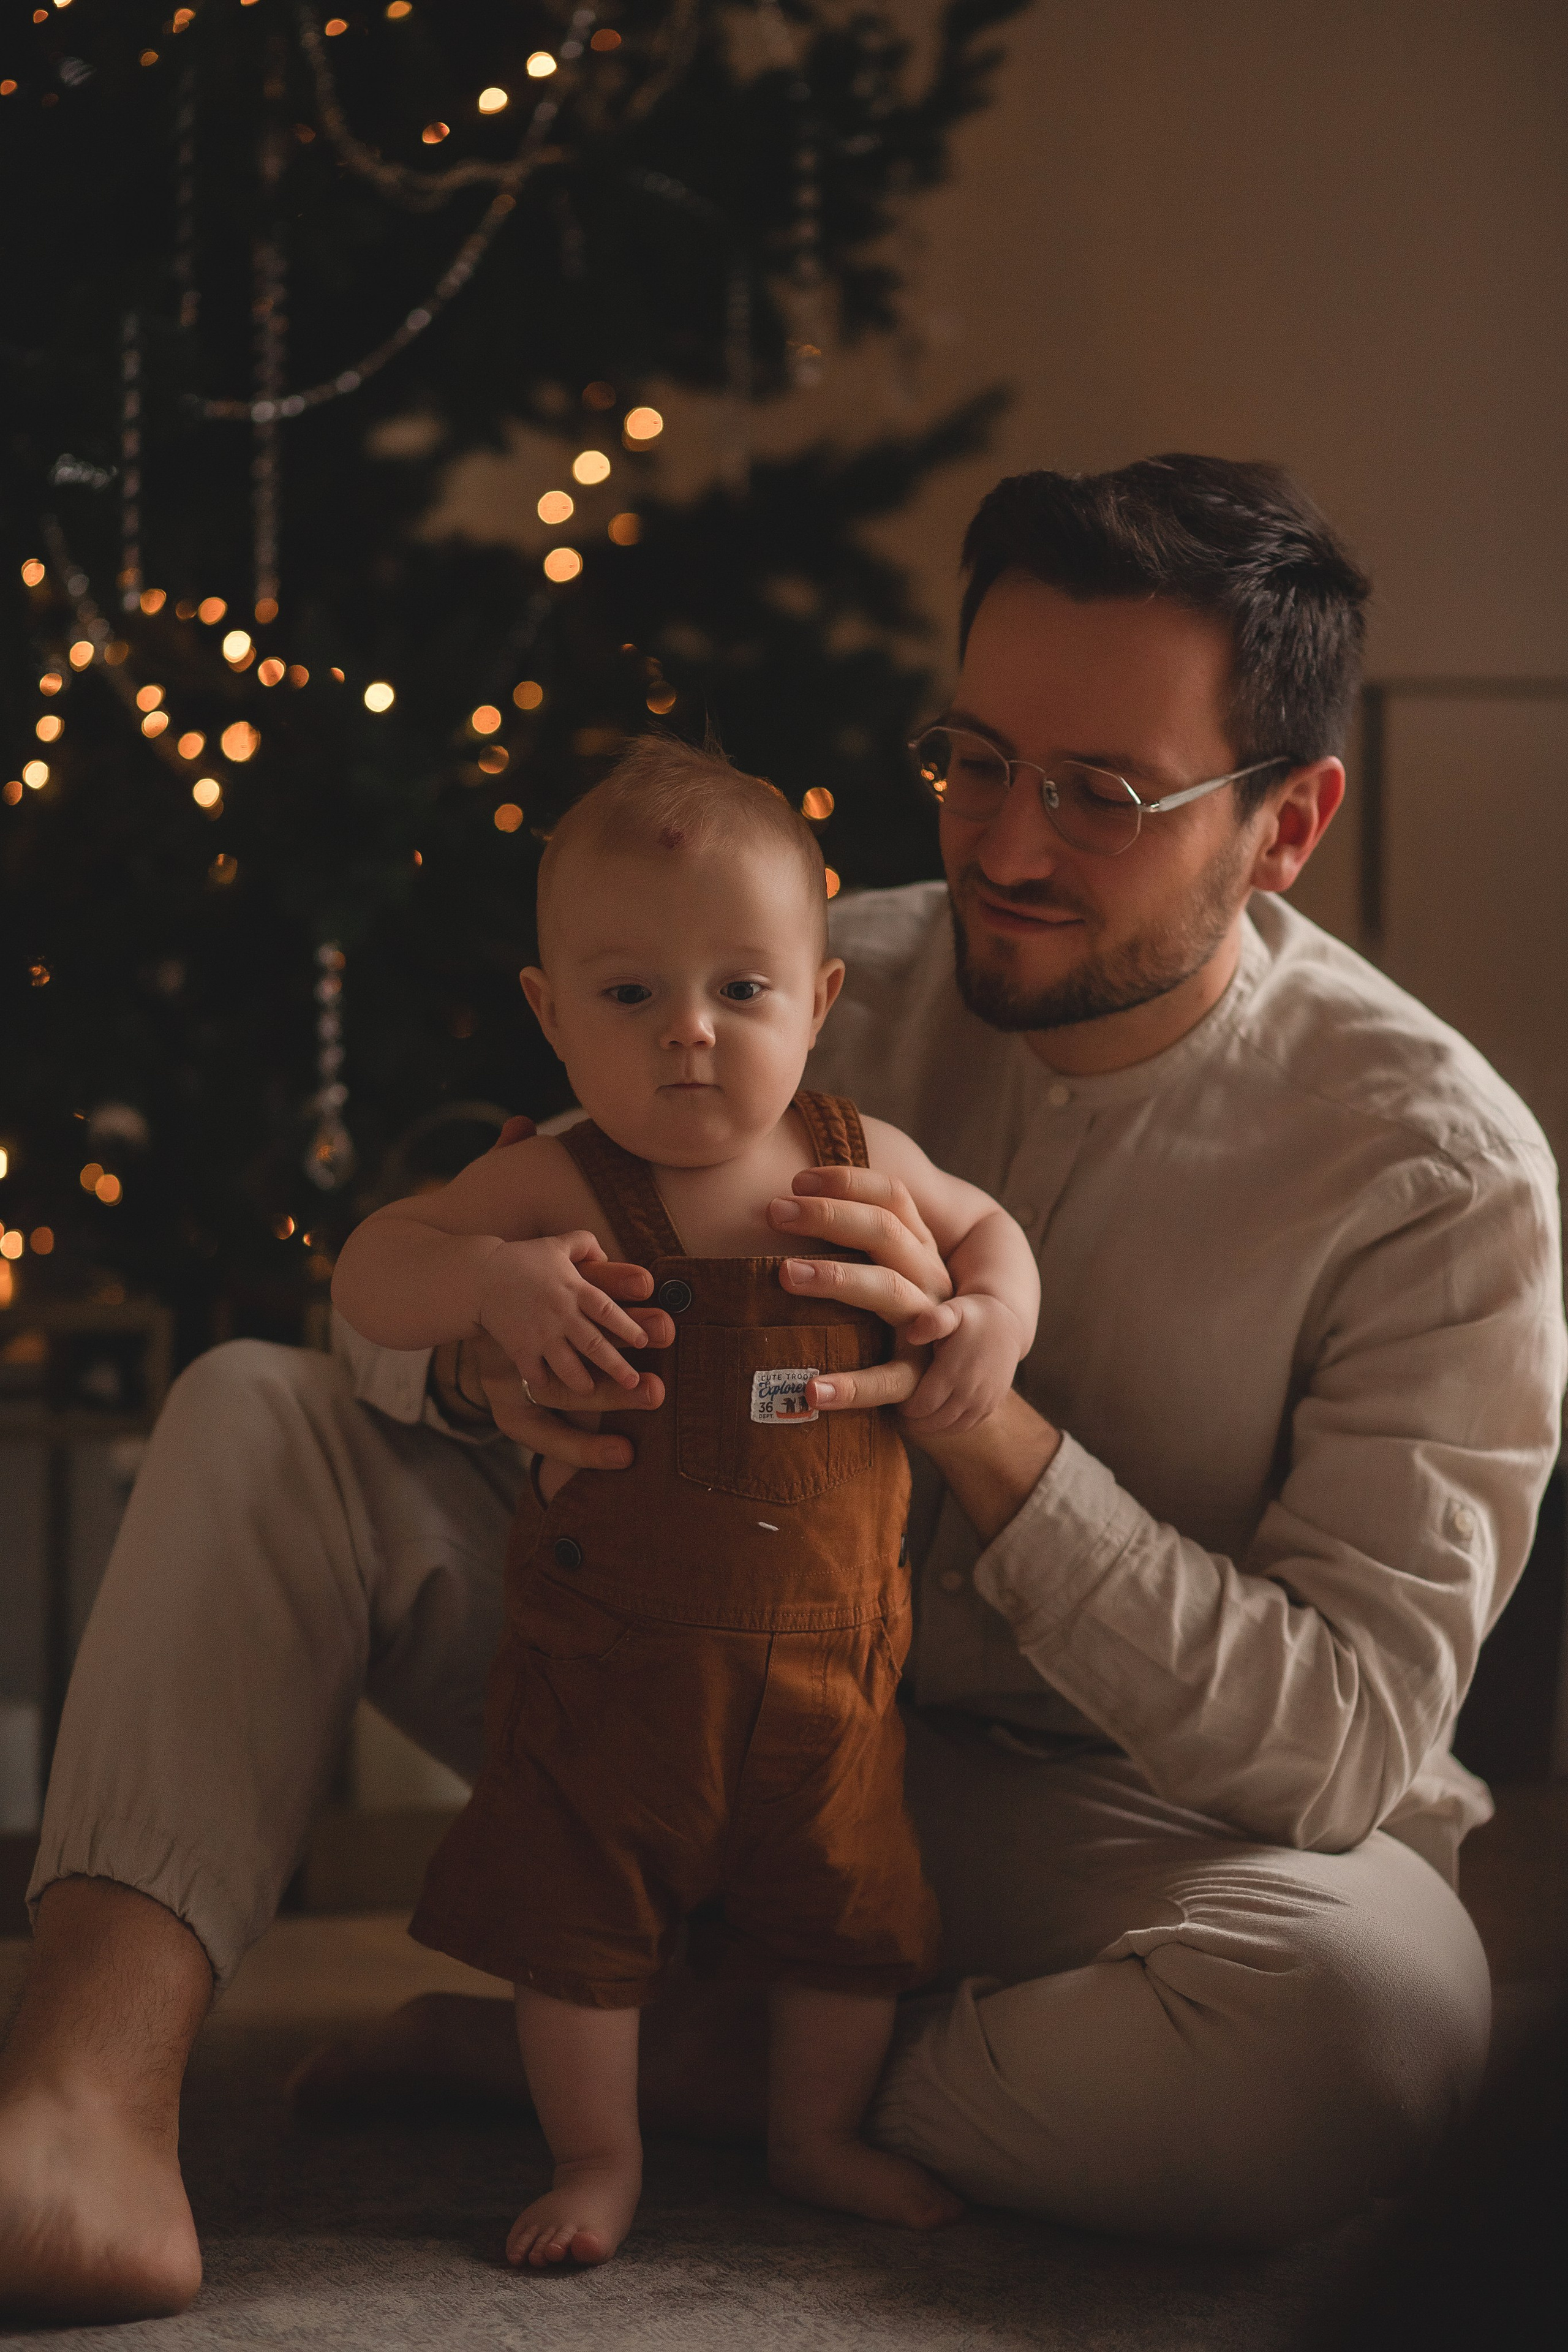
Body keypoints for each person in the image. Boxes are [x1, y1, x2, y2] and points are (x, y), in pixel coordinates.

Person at [1, 453, 1561, 2325]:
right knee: (256, 1410)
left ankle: (700, 2060)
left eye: (1101, 795)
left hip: (1084, 1822)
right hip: (651, 1679)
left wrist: (987, 1427)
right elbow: (405, 1299)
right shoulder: (768, 975)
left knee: (1378, 2029)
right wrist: (498, 1357)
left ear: (1286, 824)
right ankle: (81, 2106)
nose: (1004, 848)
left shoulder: (1439, 1177)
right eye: (975, 761)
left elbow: (1342, 1750)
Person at [328, 742, 1039, 2264]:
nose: (689, 1032)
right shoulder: (557, 1184)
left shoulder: (860, 1161)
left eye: (741, 988)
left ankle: (813, 2138)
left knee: (846, 1928)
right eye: (630, 992)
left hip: (830, 1694)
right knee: (575, 1941)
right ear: (550, 1015)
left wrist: (991, 1316)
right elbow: (372, 1269)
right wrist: (487, 1283)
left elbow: (993, 1234)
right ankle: (598, 2160)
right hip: (607, 1694)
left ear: (819, 1003)